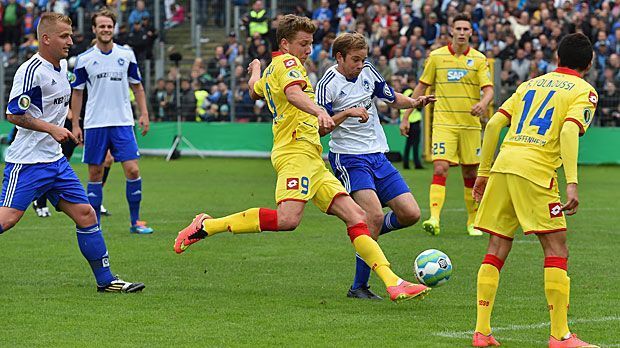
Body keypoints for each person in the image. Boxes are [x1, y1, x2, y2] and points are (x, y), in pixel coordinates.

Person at [174, 14, 430, 303]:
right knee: (288, 219)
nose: (308, 50)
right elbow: (294, 94)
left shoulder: (273, 68)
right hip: (295, 153)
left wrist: (256, 68)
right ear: (285, 44)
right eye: (303, 44)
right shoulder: (288, 63)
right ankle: (207, 225)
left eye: (310, 43)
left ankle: (393, 282)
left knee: (357, 216)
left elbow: (255, 89)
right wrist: (319, 111)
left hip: (312, 157)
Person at [0, 12, 144, 293]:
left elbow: (53, 105)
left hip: (55, 161)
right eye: (64, 36)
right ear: (46, 39)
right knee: (7, 220)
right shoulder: (31, 71)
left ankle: (107, 280)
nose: (70, 40)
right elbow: (13, 113)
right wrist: (51, 129)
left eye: (71, 35)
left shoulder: (62, 66)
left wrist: (67, 122)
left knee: (86, 214)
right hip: (28, 162)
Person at [471, 33, 598, 347]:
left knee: (496, 247)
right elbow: (569, 129)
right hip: (536, 171)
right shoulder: (585, 91)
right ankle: (560, 336)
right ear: (590, 64)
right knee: (557, 250)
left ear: (556, 58)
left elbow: (493, 126)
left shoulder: (529, 85)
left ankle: (482, 331)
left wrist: (484, 173)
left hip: (503, 164)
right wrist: (572, 181)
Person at [315, 32, 435, 300]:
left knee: (410, 214)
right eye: (355, 60)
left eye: (363, 59)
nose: (360, 64)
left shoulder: (369, 71)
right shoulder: (327, 85)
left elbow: (391, 97)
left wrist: (414, 102)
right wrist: (346, 113)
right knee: (374, 216)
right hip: (349, 158)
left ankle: (369, 233)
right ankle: (359, 286)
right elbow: (320, 129)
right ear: (340, 57)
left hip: (377, 155)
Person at [71, 8, 153, 234]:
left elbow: (137, 86)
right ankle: (93, 224)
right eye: (102, 26)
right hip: (95, 123)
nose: (106, 30)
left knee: (133, 171)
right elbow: (77, 92)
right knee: (95, 174)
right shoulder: (84, 59)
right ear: (94, 29)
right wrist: (76, 124)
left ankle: (135, 222)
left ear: (113, 29)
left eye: (109, 26)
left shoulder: (126, 55)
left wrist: (144, 113)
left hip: (123, 122)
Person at [411, 13, 494, 237]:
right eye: (458, 28)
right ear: (451, 31)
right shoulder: (436, 57)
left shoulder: (478, 59)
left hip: (469, 125)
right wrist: (406, 114)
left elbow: (489, 90)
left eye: (466, 29)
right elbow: (421, 87)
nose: (461, 32)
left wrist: (483, 104)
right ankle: (434, 218)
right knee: (440, 167)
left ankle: (473, 221)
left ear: (471, 33)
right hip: (444, 123)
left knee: (470, 172)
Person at [400, 76, 424, 170]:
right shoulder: (412, 93)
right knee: (415, 144)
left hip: (406, 120)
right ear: (410, 83)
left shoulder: (404, 92)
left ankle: (405, 163)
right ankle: (417, 163)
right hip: (413, 121)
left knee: (408, 144)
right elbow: (416, 106)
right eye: (414, 83)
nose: (415, 85)